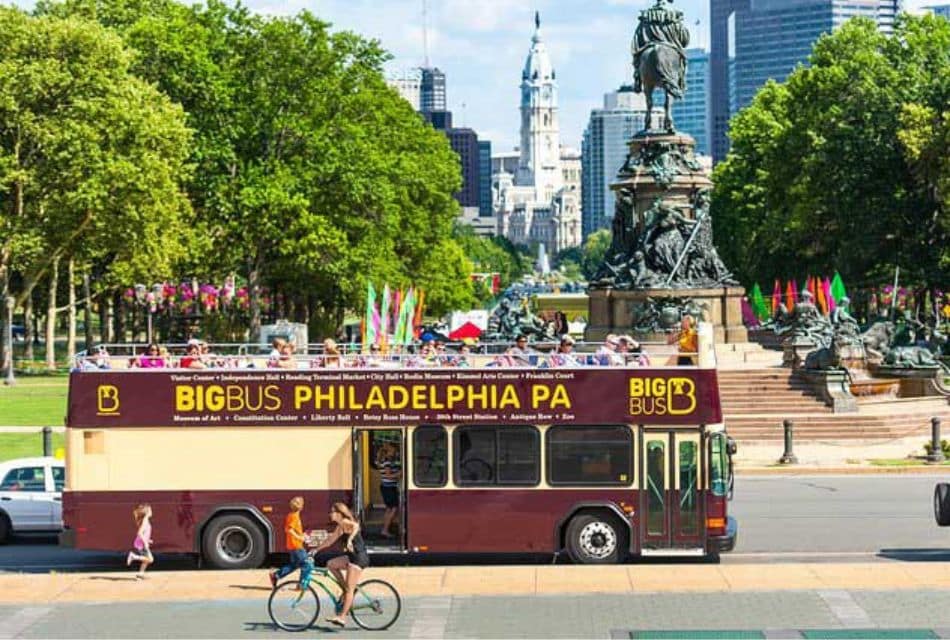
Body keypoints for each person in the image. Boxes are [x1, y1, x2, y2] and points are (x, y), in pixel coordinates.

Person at [310, 503, 369, 628]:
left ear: (339, 513)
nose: (330, 514)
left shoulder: (347, 522)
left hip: (358, 558)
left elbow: (356, 526)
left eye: (332, 512)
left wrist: (349, 540)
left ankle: (342, 617)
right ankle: (344, 588)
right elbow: (330, 541)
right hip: (351, 557)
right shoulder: (340, 527)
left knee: (349, 590)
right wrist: (316, 550)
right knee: (331, 564)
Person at [268, 496, 313, 589]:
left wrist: (302, 535)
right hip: (296, 545)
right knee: (307, 564)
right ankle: (302, 585)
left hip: (292, 545)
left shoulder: (291, 515)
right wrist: (300, 538)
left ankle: (276, 576)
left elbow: (293, 530)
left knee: (294, 565)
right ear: (301, 506)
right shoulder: (294, 516)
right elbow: (289, 530)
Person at [375, 443, 401, 538]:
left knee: (389, 509)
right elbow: (388, 475)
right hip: (389, 487)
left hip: (387, 487)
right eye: (394, 450)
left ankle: (385, 530)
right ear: (389, 451)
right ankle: (385, 530)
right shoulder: (387, 462)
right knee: (394, 509)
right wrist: (400, 473)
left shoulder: (384, 460)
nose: (395, 452)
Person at [126, 503, 154, 579]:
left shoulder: (146, 520)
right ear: (147, 512)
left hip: (141, 543)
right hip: (141, 544)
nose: (151, 511)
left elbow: (144, 533)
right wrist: (145, 542)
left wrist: (148, 540)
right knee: (150, 559)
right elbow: (140, 533)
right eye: (150, 510)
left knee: (145, 559)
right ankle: (133, 556)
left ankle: (140, 574)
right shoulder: (145, 521)